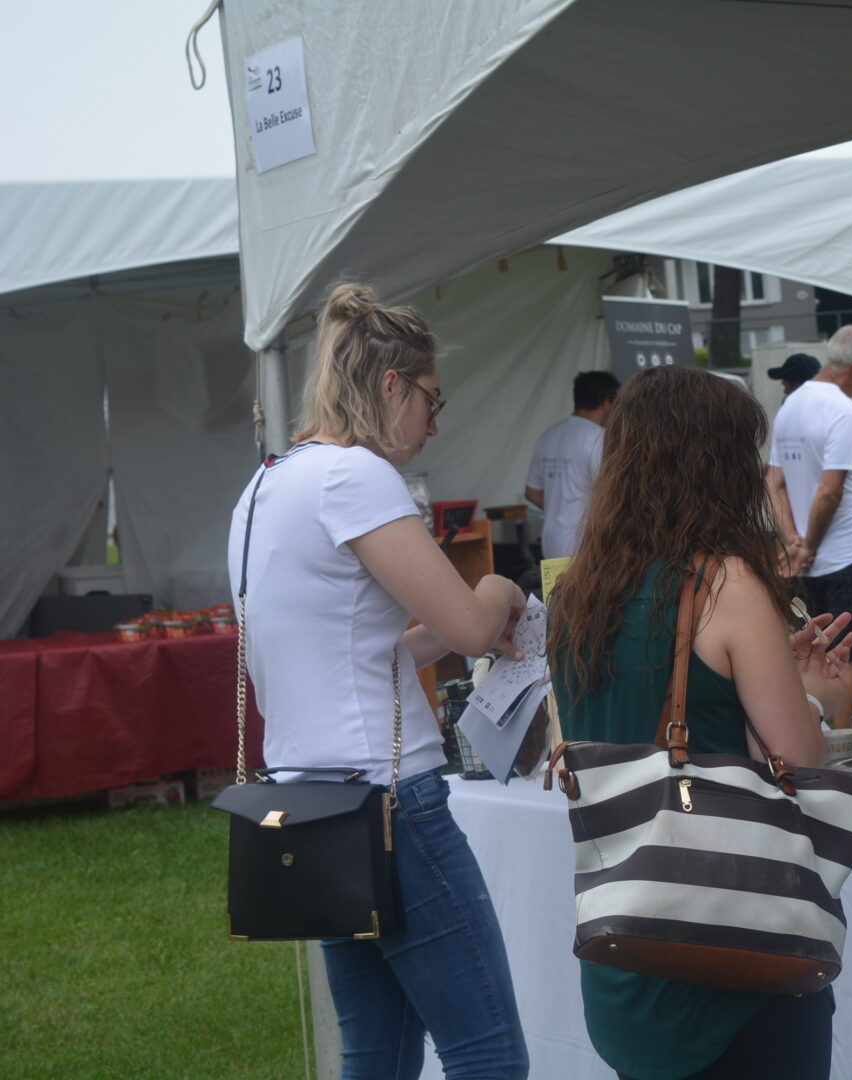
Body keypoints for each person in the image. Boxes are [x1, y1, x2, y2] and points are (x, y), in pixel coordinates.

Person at [227, 283, 528, 1079]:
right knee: (489, 1055)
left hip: (314, 805)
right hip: (392, 805)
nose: (435, 421)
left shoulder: (263, 487)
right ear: (392, 384)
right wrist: (508, 590)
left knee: (378, 1056)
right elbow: (469, 628)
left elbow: (365, 650)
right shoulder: (354, 477)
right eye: (432, 398)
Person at [548, 364, 852, 1080]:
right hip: (733, 955)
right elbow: (800, 762)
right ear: (718, 463)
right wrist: (815, 695)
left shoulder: (578, 596)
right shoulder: (728, 584)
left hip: (627, 948)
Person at [766, 323, 852, 651]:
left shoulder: (789, 406)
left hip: (805, 568)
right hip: (850, 560)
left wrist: (792, 539)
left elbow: (773, 483)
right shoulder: (843, 410)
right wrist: (808, 547)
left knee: (816, 665)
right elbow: (830, 490)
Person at [524, 370, 620, 559]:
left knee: (556, 589)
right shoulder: (599, 439)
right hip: (584, 542)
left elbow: (532, 492)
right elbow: (609, 494)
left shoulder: (548, 436)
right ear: (606, 403)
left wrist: (560, 507)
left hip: (550, 541)